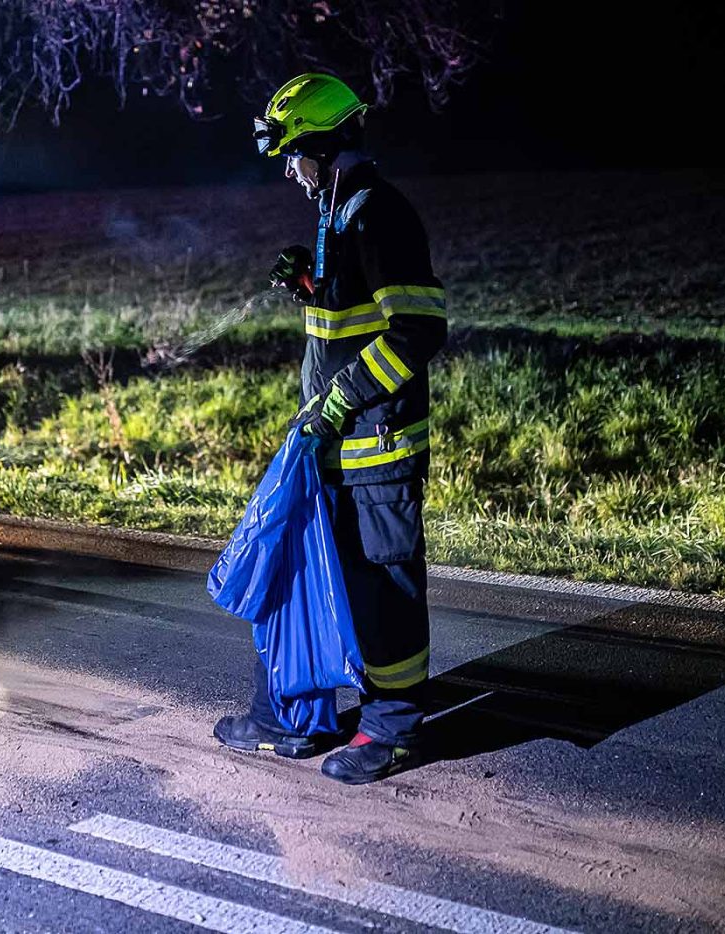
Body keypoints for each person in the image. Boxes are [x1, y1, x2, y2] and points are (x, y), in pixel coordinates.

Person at [214, 74, 448, 784]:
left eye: (293, 155)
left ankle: (392, 730)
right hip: (336, 442)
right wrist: (312, 287)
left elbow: (417, 332)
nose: (289, 170)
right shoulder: (338, 212)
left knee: (383, 587)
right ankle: (290, 718)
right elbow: (358, 314)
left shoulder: (378, 215)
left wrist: (343, 398)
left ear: (322, 145)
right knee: (320, 575)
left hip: (378, 445)